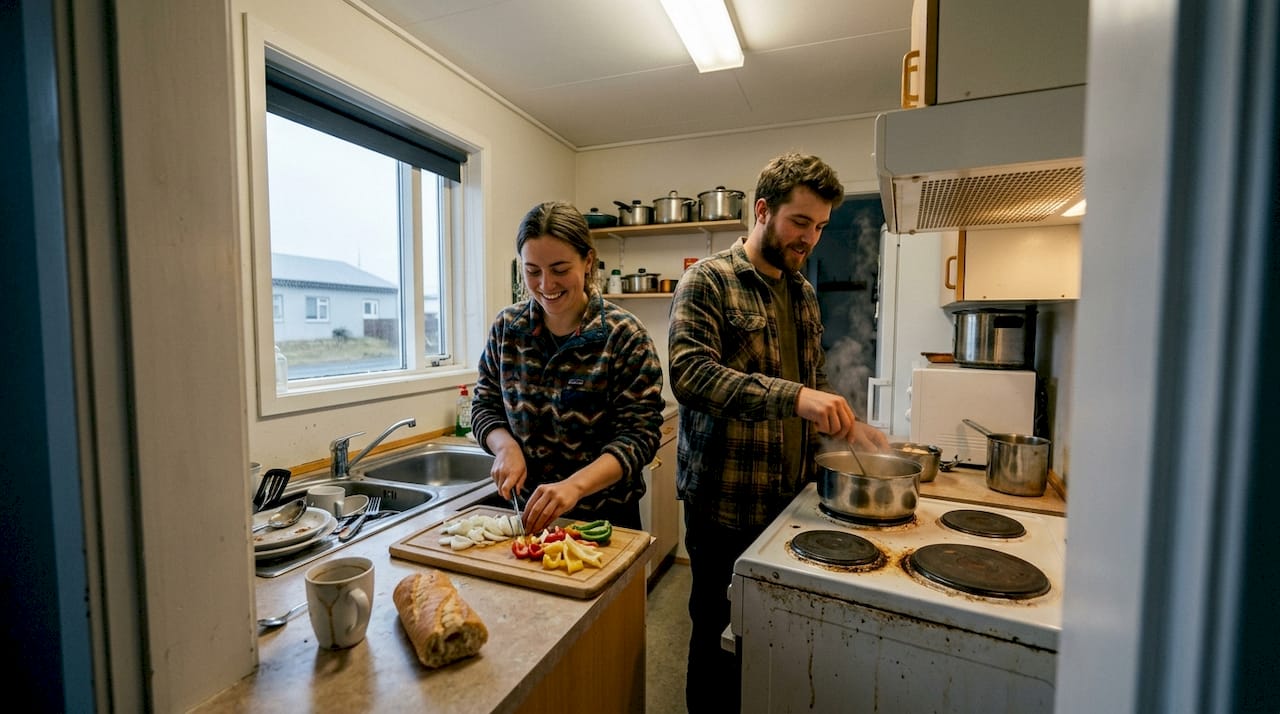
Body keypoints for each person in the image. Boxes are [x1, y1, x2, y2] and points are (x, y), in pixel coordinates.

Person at [667, 152, 890, 712]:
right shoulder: (707, 281)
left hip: (790, 503)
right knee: (716, 637)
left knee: (774, 642)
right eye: (800, 223)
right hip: (724, 505)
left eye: (819, 227)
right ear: (763, 210)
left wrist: (850, 427)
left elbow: (811, 383)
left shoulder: (803, 293)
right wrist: (796, 396)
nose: (809, 239)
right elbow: (691, 377)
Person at [471, 201, 665, 536]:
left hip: (605, 521)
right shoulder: (507, 328)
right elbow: (485, 406)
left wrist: (575, 486)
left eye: (560, 269)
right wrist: (505, 447)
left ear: (588, 261)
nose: (546, 285)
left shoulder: (624, 335)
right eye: (532, 271)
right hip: (523, 515)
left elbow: (640, 437)